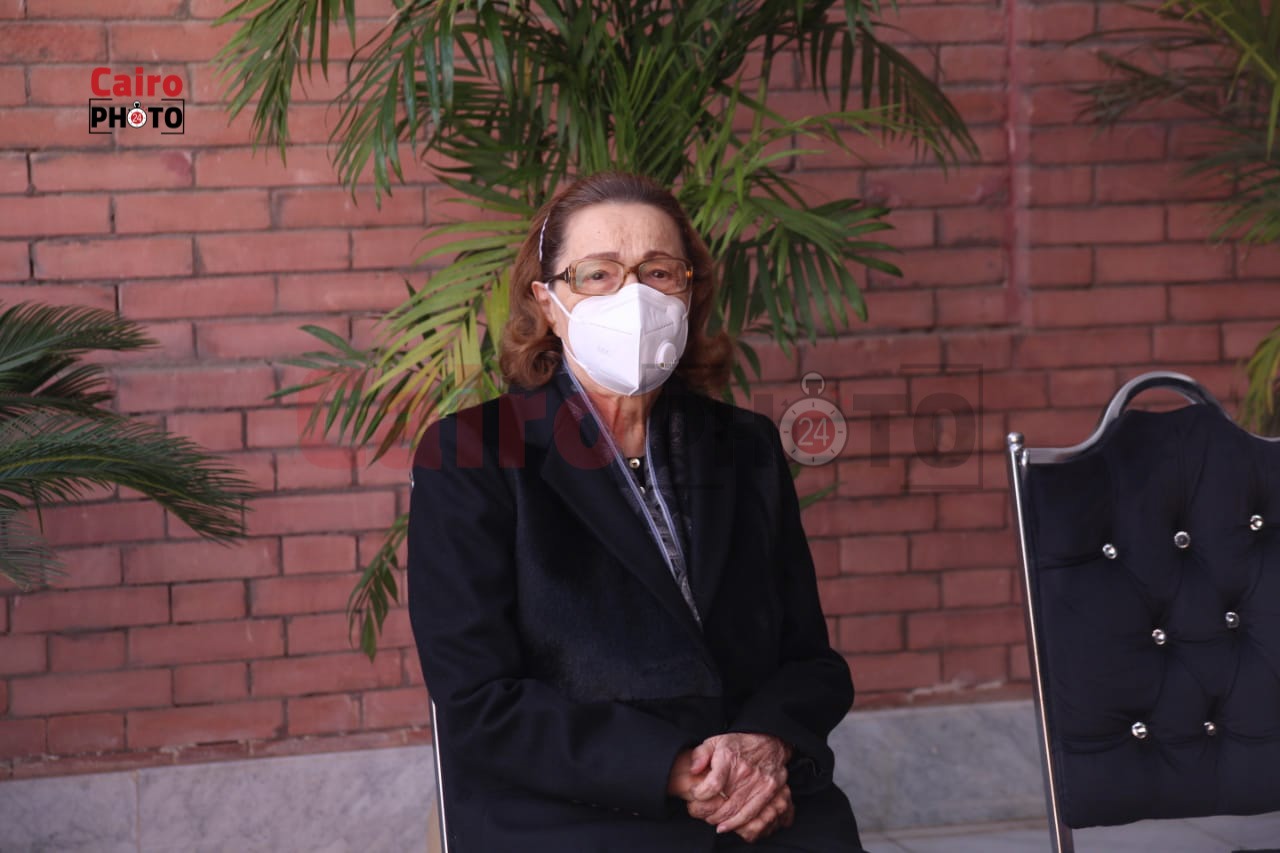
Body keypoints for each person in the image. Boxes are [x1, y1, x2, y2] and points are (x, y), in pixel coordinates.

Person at [408, 171, 865, 852]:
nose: (635, 296)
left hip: (756, 804)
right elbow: (477, 699)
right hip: (579, 814)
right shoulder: (473, 452)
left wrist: (765, 744)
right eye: (598, 274)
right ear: (547, 302)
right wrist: (673, 769)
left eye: (659, 272)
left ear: (689, 292)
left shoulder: (746, 446)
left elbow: (811, 662)